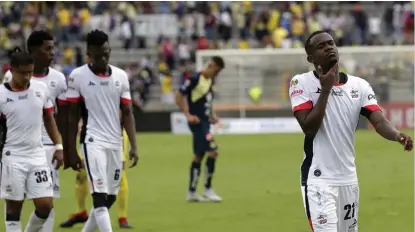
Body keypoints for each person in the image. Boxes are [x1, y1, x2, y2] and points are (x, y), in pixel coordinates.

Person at [288, 30, 413, 232]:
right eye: (321, 46)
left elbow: (379, 121)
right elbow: (309, 127)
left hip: (348, 179)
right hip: (319, 180)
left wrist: (397, 135)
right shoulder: (300, 83)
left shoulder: (359, 85)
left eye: (331, 43)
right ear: (311, 58)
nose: (329, 47)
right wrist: (326, 89)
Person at [65, 29, 138, 232]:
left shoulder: (121, 76)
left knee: (110, 197)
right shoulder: (77, 76)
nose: (103, 57)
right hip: (92, 141)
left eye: (106, 52)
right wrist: (71, 149)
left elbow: (127, 112)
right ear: (89, 53)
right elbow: (72, 117)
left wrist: (133, 145)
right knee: (98, 196)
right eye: (98, 54)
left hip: (115, 143)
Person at [3, 30, 68, 231]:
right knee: (14, 206)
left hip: (37, 154)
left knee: (45, 205)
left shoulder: (40, 89)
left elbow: (49, 118)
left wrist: (59, 145)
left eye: (30, 72)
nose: (28, 77)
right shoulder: (1, 94)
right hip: (12, 156)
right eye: (23, 73)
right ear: (12, 71)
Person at [59, 128, 133, 229]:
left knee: (118, 178)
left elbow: (125, 114)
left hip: (113, 135)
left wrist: (128, 150)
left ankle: (122, 216)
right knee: (81, 174)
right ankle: (81, 212)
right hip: (91, 137)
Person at [175, 56, 225, 202]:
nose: (217, 74)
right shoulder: (195, 78)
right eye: (216, 70)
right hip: (198, 123)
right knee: (213, 151)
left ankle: (191, 192)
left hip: (205, 122)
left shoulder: (210, 81)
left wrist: (213, 115)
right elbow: (178, 95)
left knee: (199, 155)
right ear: (211, 65)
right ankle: (208, 189)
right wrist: (187, 114)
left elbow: (207, 101)